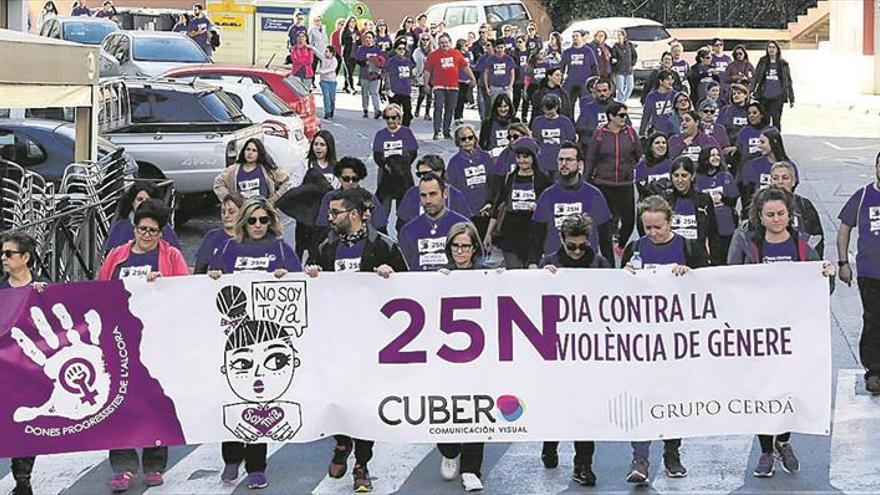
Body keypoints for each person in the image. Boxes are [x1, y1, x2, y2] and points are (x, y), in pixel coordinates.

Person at [726, 187, 834, 477]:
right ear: (760, 217)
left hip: (792, 333)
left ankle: (783, 441)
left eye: (781, 214)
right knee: (763, 391)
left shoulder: (801, 247)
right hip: (759, 332)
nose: (776, 219)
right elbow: (729, 278)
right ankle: (764, 451)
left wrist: (827, 274)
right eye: (770, 214)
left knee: (788, 389)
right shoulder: (750, 244)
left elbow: (821, 288)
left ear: (790, 215)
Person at [304, 188, 405, 493]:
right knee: (335, 395)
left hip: (370, 340)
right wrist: (311, 273)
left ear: (354, 213)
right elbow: (311, 288)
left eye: (334, 212)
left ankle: (362, 462)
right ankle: (342, 441)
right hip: (335, 338)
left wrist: (393, 275)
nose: (329, 217)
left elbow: (410, 292)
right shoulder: (324, 245)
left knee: (364, 401)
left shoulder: (385, 246)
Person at [207, 199, 300, 490]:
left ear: (270, 221)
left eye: (262, 220)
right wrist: (213, 277)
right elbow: (211, 286)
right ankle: (231, 457)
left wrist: (288, 278)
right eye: (252, 220)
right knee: (232, 397)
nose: (258, 225)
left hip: (268, 338)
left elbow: (300, 285)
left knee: (261, 399)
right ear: (243, 222)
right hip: (233, 338)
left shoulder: (283, 249)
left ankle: (257, 464)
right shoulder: (228, 248)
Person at [99, 200, 189, 492]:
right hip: (119, 338)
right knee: (119, 401)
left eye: (153, 231)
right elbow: (99, 287)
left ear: (161, 233)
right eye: (142, 229)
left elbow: (186, 291)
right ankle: (123, 466)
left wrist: (162, 284)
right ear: (134, 229)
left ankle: (154, 463)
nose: (146, 235)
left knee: (154, 402)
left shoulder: (171, 256)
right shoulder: (117, 255)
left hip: (157, 339)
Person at [433, 222, 488, 491]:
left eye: (465, 246)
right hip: (447, 356)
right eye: (455, 246)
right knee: (447, 406)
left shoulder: (488, 275)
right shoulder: (440, 276)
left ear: (474, 248)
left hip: (481, 356)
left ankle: (471, 469)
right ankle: (449, 448)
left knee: (478, 410)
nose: (460, 251)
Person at [1, 231, 49, 495]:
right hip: (4, 369)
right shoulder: (1, 289)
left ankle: (23, 479)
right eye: (2, 253)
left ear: (26, 257)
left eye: (9, 253)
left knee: (27, 425)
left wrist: (46, 295)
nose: (3, 258)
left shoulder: (42, 285)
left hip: (33, 370)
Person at [530, 142, 613, 266]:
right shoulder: (547, 195)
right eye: (561, 160)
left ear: (580, 164)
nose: (564, 164)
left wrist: (611, 269)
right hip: (554, 266)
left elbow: (605, 236)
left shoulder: (594, 194)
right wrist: (533, 263)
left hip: (587, 264)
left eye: (569, 160)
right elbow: (537, 234)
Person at [837, 151, 880, 394]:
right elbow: (844, 229)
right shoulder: (863, 195)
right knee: (873, 320)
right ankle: (874, 370)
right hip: (870, 272)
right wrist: (843, 263)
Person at [485, 139, 552, 268]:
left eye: (526, 157)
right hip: (511, 234)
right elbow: (497, 207)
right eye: (518, 157)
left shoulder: (543, 179)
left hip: (533, 234)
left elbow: (549, 209)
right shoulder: (510, 178)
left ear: (533, 157)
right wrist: (488, 234)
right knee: (514, 273)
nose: (522, 160)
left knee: (530, 276)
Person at [278, 130, 337, 260]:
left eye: (322, 144)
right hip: (305, 216)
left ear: (329, 146)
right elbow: (293, 185)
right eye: (316, 144)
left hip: (324, 218)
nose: (318, 148)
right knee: (300, 247)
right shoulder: (306, 165)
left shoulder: (335, 168)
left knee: (319, 249)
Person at [398, 175, 470, 271]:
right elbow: (400, 267)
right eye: (423, 195)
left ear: (445, 194)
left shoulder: (463, 226)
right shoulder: (408, 230)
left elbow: (477, 262)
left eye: (433, 194)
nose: (428, 201)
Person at [621, 195, 708, 274]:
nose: (653, 233)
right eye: (648, 228)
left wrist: (689, 273)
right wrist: (625, 274)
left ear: (670, 222)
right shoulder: (633, 248)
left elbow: (704, 280)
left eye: (658, 227)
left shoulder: (689, 247)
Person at [396, 154, 473, 231]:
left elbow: (467, 225)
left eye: (427, 173)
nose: (423, 177)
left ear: (440, 172)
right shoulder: (412, 194)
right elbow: (401, 224)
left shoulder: (455, 195)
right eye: (420, 175)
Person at [315, 157, 389, 234]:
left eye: (355, 179)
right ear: (339, 178)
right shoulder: (329, 197)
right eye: (346, 178)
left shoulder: (369, 198)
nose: (350, 182)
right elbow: (322, 226)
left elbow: (380, 226)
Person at [424, 33, 476, 140]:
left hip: (453, 87)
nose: (444, 45)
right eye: (441, 43)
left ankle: (446, 131)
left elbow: (465, 67)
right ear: (438, 44)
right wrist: (426, 84)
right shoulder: (433, 55)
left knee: (450, 109)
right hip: (439, 87)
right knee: (438, 108)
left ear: (450, 43)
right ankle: (437, 131)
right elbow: (427, 71)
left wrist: (472, 78)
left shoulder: (456, 54)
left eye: (446, 42)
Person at [105, 182, 180, 254]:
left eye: (147, 200)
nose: (143, 203)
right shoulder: (120, 227)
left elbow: (175, 257)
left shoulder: (164, 227)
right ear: (132, 202)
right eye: (139, 199)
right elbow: (110, 258)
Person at [213, 138, 292, 204]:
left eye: (254, 150)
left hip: (264, 213)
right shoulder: (234, 170)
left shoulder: (266, 168)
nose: (250, 153)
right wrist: (230, 201)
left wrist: (274, 199)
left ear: (259, 153)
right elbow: (218, 182)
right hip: (243, 214)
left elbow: (287, 181)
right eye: (248, 149)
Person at [695, 146, 739, 265]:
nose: (716, 158)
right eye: (713, 155)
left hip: (725, 223)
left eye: (718, 155)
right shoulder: (697, 178)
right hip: (705, 223)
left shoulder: (726, 176)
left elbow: (734, 198)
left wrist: (723, 198)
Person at [447, 125, 493, 236]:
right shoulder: (454, 162)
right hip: (465, 212)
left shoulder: (485, 157)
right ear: (458, 142)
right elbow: (451, 189)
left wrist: (491, 202)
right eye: (463, 139)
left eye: (470, 137)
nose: (467, 141)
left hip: (484, 210)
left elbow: (492, 181)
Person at [770, 161, 823, 256]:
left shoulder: (804, 205)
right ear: (770, 181)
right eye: (775, 178)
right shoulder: (760, 205)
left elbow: (817, 239)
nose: (780, 182)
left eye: (785, 178)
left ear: (793, 181)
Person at [372, 103, 418, 212]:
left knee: (404, 208)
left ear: (399, 118)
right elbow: (377, 154)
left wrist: (401, 165)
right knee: (382, 206)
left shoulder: (406, 132)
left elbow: (413, 152)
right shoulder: (380, 134)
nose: (390, 120)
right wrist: (385, 165)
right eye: (387, 118)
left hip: (402, 173)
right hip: (386, 174)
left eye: (393, 117)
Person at [665, 156, 716, 250]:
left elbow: (713, 232)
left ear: (692, 176)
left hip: (698, 255)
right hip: (671, 253)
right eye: (676, 175)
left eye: (684, 175)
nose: (680, 180)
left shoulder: (704, 199)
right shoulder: (665, 200)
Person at [741, 128, 797, 213]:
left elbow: (792, 192)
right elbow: (748, 192)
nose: (759, 145)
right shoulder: (755, 164)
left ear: (773, 143)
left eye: (763, 142)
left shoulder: (789, 166)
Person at [194, 193, 244, 274]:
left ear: (243, 213)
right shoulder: (212, 236)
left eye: (231, 212)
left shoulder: (250, 237)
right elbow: (199, 272)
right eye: (223, 212)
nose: (226, 215)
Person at [753, 40, 794, 131]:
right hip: (764, 96)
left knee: (776, 120)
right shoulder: (763, 61)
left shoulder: (783, 64)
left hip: (778, 97)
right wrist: (751, 91)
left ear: (777, 50)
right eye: (769, 47)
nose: (771, 49)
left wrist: (791, 97)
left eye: (773, 47)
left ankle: (775, 140)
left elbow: (788, 81)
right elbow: (756, 77)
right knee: (764, 120)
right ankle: (764, 139)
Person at [532, 94, 576, 175]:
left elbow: (571, 139)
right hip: (543, 161)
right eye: (545, 108)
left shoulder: (565, 121)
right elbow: (535, 140)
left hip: (560, 161)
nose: (547, 112)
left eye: (550, 109)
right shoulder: (537, 121)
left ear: (556, 107)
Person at [561, 29, 599, 105]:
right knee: (568, 104)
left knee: (585, 104)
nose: (575, 38)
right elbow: (561, 66)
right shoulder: (568, 51)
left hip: (584, 83)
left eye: (577, 36)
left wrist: (596, 80)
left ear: (582, 37)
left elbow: (594, 66)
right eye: (573, 36)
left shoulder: (588, 51)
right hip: (571, 82)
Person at [575, 77, 618, 143]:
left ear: (610, 91)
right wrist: (596, 131)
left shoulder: (618, 107)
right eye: (599, 91)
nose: (602, 94)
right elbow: (579, 127)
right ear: (595, 92)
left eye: (604, 90)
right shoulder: (588, 108)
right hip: (592, 144)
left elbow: (627, 126)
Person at [353, 31, 384, 118]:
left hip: (375, 75)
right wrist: (366, 61)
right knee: (365, 93)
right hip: (364, 74)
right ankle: (365, 109)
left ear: (373, 39)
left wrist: (380, 70)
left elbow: (382, 61)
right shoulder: (361, 49)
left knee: (375, 92)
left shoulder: (377, 49)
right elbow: (358, 60)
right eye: (366, 37)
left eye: (370, 37)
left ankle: (377, 110)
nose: (368, 39)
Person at [478, 93, 520, 159]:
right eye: (500, 106)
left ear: (509, 107)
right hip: (493, 157)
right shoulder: (488, 123)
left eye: (505, 106)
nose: (503, 109)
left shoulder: (515, 121)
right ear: (496, 107)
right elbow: (481, 145)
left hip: (512, 157)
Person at [635, 132, 673, 202]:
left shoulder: (672, 164)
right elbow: (641, 189)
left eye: (664, 143)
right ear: (651, 147)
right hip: (648, 205)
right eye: (657, 143)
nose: (661, 145)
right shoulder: (641, 166)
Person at [639, 69, 676, 136]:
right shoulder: (652, 96)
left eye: (672, 79)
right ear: (660, 81)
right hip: (658, 131)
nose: (670, 82)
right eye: (667, 79)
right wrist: (641, 133)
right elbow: (646, 115)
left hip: (673, 131)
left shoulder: (675, 95)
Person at [717, 83, 751, 153]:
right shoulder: (725, 110)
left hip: (746, 147)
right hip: (728, 147)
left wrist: (738, 147)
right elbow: (719, 129)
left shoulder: (751, 110)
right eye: (734, 94)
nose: (736, 95)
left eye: (739, 93)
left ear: (745, 95)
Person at [312, 45, 339, 119]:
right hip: (324, 81)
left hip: (332, 81)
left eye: (327, 51)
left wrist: (322, 72)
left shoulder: (334, 61)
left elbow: (332, 69)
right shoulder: (323, 58)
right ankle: (327, 112)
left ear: (331, 53)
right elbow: (316, 52)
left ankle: (331, 109)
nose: (325, 53)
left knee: (332, 98)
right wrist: (310, 47)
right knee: (326, 96)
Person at [610, 29, 637, 102]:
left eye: (620, 35)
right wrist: (614, 61)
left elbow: (634, 55)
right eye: (617, 35)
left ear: (623, 36)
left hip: (629, 70)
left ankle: (623, 101)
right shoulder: (615, 46)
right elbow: (613, 56)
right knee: (620, 89)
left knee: (630, 87)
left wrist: (632, 63)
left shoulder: (629, 45)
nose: (618, 37)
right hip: (619, 70)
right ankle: (620, 102)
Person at [454, 39, 476, 124]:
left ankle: (460, 115)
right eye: (466, 46)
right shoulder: (456, 54)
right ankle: (457, 116)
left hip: (466, 79)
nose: (468, 47)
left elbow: (470, 64)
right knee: (458, 99)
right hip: (458, 79)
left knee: (463, 99)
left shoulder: (469, 54)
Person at [412, 34, 434, 120]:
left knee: (429, 94)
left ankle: (427, 113)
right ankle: (417, 108)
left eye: (427, 40)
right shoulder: (417, 51)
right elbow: (414, 63)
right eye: (423, 40)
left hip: (430, 75)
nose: (425, 41)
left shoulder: (433, 51)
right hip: (421, 75)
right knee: (422, 93)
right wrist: (415, 74)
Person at [511, 35, 530, 116]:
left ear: (525, 42)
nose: (518, 44)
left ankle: (524, 116)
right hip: (518, 78)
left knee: (526, 99)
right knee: (516, 99)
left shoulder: (530, 53)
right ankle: (513, 115)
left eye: (520, 42)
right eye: (517, 42)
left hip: (527, 78)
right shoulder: (514, 53)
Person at [341, 17, 360, 94]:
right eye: (351, 21)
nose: (353, 23)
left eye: (354, 22)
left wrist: (357, 40)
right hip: (347, 54)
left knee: (350, 71)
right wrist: (351, 39)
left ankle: (346, 86)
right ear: (348, 22)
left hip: (354, 54)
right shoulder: (345, 31)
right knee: (349, 72)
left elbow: (360, 43)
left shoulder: (357, 31)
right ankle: (352, 87)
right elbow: (342, 42)